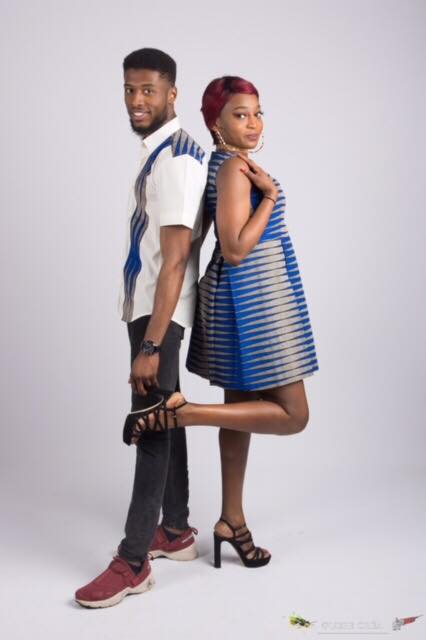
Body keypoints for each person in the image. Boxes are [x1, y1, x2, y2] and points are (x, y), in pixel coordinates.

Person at [129, 76, 319, 570]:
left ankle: (231, 520)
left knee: (240, 412)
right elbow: (234, 249)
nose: (253, 123)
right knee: (293, 414)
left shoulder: (223, 163)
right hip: (255, 296)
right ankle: (185, 412)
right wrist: (270, 198)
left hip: (240, 295)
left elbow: (203, 235)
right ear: (216, 122)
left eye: (257, 113)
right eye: (240, 114)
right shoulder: (235, 168)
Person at [74, 48, 208, 608]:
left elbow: (175, 260)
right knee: (166, 412)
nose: (136, 100)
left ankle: (133, 563)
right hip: (152, 309)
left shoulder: (176, 159)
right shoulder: (164, 151)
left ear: (172, 93)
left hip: (159, 314)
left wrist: (151, 344)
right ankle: (175, 530)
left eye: (148, 90)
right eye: (130, 89)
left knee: (149, 426)